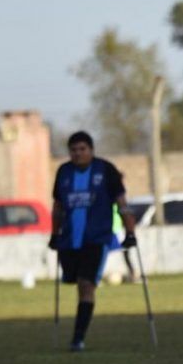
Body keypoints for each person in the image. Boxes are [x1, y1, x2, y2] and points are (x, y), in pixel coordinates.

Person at [49, 131, 136, 351]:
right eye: (73, 150)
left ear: (91, 150)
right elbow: (58, 207)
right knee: (75, 282)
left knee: (86, 285)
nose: (78, 154)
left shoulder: (106, 170)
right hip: (70, 240)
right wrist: (54, 233)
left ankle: (78, 338)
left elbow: (122, 203)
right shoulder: (63, 172)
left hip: (97, 238)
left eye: (82, 149)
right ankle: (78, 333)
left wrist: (130, 231)